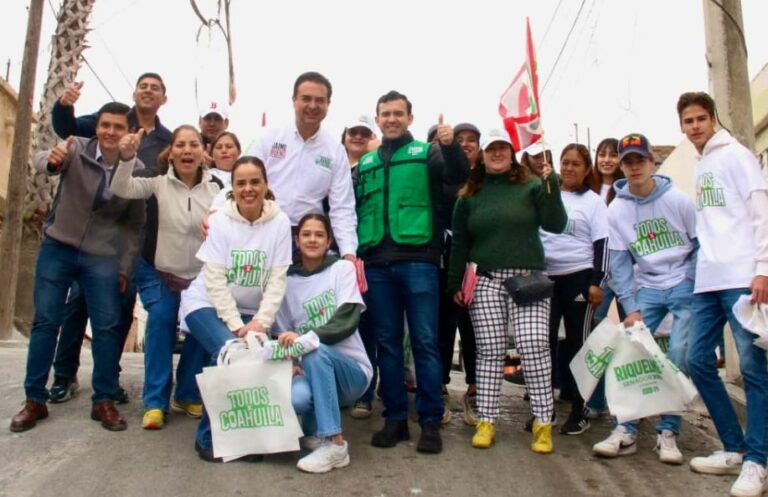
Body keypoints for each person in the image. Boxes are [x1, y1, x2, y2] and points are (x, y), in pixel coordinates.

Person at [10, 102, 145, 433]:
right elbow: (44, 160)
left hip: (101, 258)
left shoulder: (136, 168)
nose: (110, 132)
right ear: (96, 127)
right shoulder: (75, 148)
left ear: (128, 132)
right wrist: (51, 159)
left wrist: (125, 268)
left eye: (118, 126)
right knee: (46, 322)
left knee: (107, 326)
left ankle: (103, 401)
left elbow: (134, 227)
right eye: (104, 125)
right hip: (59, 248)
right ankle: (34, 400)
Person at [47, 74, 172, 403]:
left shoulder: (166, 139)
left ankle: (108, 376)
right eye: (143, 85)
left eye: (155, 88)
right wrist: (64, 106)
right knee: (77, 304)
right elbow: (67, 128)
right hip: (89, 236)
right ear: (134, 92)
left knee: (121, 307)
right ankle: (63, 375)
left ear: (164, 99)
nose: (148, 91)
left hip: (133, 234)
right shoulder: (112, 119)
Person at [356, 91, 469, 454]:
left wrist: (451, 147)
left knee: (424, 342)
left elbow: (457, 177)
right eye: (385, 114)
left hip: (419, 259)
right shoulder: (366, 162)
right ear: (378, 119)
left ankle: (431, 422)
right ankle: (395, 420)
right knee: (387, 343)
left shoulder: (428, 153)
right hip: (376, 263)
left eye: (398, 113)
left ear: (409, 118)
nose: (391, 119)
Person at [448, 128, 566, 453]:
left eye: (502, 148)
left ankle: (543, 422)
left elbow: (556, 224)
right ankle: (487, 420)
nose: (497, 153)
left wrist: (551, 183)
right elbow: (460, 243)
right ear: (482, 155)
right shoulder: (469, 196)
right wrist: (454, 282)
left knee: (534, 346)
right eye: (491, 149)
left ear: (511, 153)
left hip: (527, 279)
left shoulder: (531, 186)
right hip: (485, 280)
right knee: (488, 351)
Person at [676, 92, 768, 497]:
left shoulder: (736, 156)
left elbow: (760, 210)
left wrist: (763, 269)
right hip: (707, 280)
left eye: (700, 118)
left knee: (753, 370)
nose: (694, 126)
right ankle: (733, 446)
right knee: (696, 361)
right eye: (687, 120)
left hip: (741, 277)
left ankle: (757, 461)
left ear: (713, 119)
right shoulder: (702, 165)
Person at [591, 133, 696, 465]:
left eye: (640, 160)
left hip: (683, 283)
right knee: (630, 350)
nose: (635, 167)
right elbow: (620, 262)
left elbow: (699, 244)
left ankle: (668, 431)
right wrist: (631, 306)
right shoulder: (618, 209)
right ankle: (626, 428)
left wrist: (690, 282)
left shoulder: (678, 200)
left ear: (652, 162)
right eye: (628, 162)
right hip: (647, 287)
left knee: (677, 353)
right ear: (622, 167)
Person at [180, 156, 292, 462]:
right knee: (229, 351)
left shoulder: (280, 222)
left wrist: (260, 323)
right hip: (205, 303)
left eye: (255, 181)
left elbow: (277, 279)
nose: (248, 189)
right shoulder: (220, 220)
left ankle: (244, 437)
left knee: (254, 355)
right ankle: (208, 438)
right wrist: (236, 326)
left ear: (266, 185)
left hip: (251, 312)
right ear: (232, 188)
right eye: (240, 183)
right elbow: (214, 280)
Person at [110, 124, 222, 429]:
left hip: (201, 279)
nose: (187, 150)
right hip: (158, 273)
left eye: (194, 145)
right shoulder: (156, 183)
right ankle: (156, 402)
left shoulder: (219, 189)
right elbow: (122, 188)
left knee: (201, 330)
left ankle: (186, 394)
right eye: (180, 145)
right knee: (160, 321)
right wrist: (125, 158)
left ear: (203, 152)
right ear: (170, 153)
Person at [274, 213, 371, 473]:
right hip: (312, 370)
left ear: (329, 241)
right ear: (297, 240)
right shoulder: (288, 282)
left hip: (351, 371)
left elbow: (347, 320)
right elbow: (284, 336)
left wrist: (305, 341)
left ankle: (335, 444)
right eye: (306, 234)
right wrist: (291, 363)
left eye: (319, 235)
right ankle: (314, 433)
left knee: (316, 352)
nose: (313, 240)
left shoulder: (342, 269)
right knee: (297, 397)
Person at [246, 71, 357, 260]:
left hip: (306, 241)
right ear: (294, 100)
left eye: (320, 100)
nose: (312, 106)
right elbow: (241, 179)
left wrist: (348, 252)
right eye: (306, 98)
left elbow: (342, 207)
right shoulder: (269, 137)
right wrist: (217, 210)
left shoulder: (335, 150)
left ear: (328, 104)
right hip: (261, 230)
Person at [539, 143, 608, 436]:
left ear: (586, 169)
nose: (568, 168)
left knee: (579, 345)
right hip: (546, 278)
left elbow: (602, 244)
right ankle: (544, 410)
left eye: (576, 164)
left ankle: (580, 410)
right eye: (565, 162)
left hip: (579, 278)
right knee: (542, 343)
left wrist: (597, 281)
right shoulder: (546, 195)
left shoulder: (593, 202)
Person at [438, 122, 481, 426]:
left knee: (474, 330)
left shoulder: (487, 179)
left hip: (478, 265)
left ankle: (475, 389)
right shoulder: (442, 174)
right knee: (442, 327)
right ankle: (439, 388)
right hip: (442, 262)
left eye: (471, 140)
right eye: (460, 139)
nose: (465, 144)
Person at [584, 137, 625, 419]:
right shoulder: (588, 192)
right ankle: (596, 402)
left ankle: (632, 400)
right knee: (597, 338)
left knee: (632, 338)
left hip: (626, 274)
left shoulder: (626, 191)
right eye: (602, 154)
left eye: (613, 155)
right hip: (599, 274)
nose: (607, 159)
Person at [341, 115, 378, 188]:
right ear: (344, 136)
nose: (358, 137)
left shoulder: (379, 166)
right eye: (353, 132)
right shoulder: (334, 165)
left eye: (365, 133)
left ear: (373, 138)